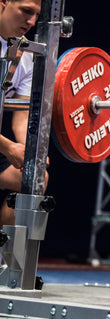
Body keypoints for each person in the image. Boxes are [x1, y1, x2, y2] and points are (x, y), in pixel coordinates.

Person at [0, 0, 47, 228]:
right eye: (26, 11)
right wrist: (9, 149)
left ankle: (4, 257)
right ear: (3, 2)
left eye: (37, 15)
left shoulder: (27, 53)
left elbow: (21, 117)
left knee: (34, 178)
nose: (31, 22)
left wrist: (29, 152)